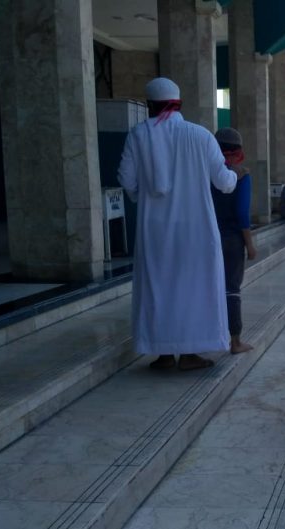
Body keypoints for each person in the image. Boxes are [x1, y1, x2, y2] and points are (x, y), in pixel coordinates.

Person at [118, 77, 244, 371]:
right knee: (194, 289)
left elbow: (126, 179)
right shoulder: (200, 135)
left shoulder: (138, 134)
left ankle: (162, 354)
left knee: (158, 288)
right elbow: (224, 183)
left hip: (155, 229)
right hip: (196, 229)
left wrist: (142, 194)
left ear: (150, 105)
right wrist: (236, 173)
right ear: (178, 103)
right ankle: (189, 355)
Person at [211, 127, 257, 354]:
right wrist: (249, 244)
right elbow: (241, 213)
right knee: (232, 289)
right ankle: (235, 341)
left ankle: (207, 339)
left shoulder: (205, 172)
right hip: (231, 239)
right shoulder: (242, 174)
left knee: (209, 288)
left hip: (207, 237)